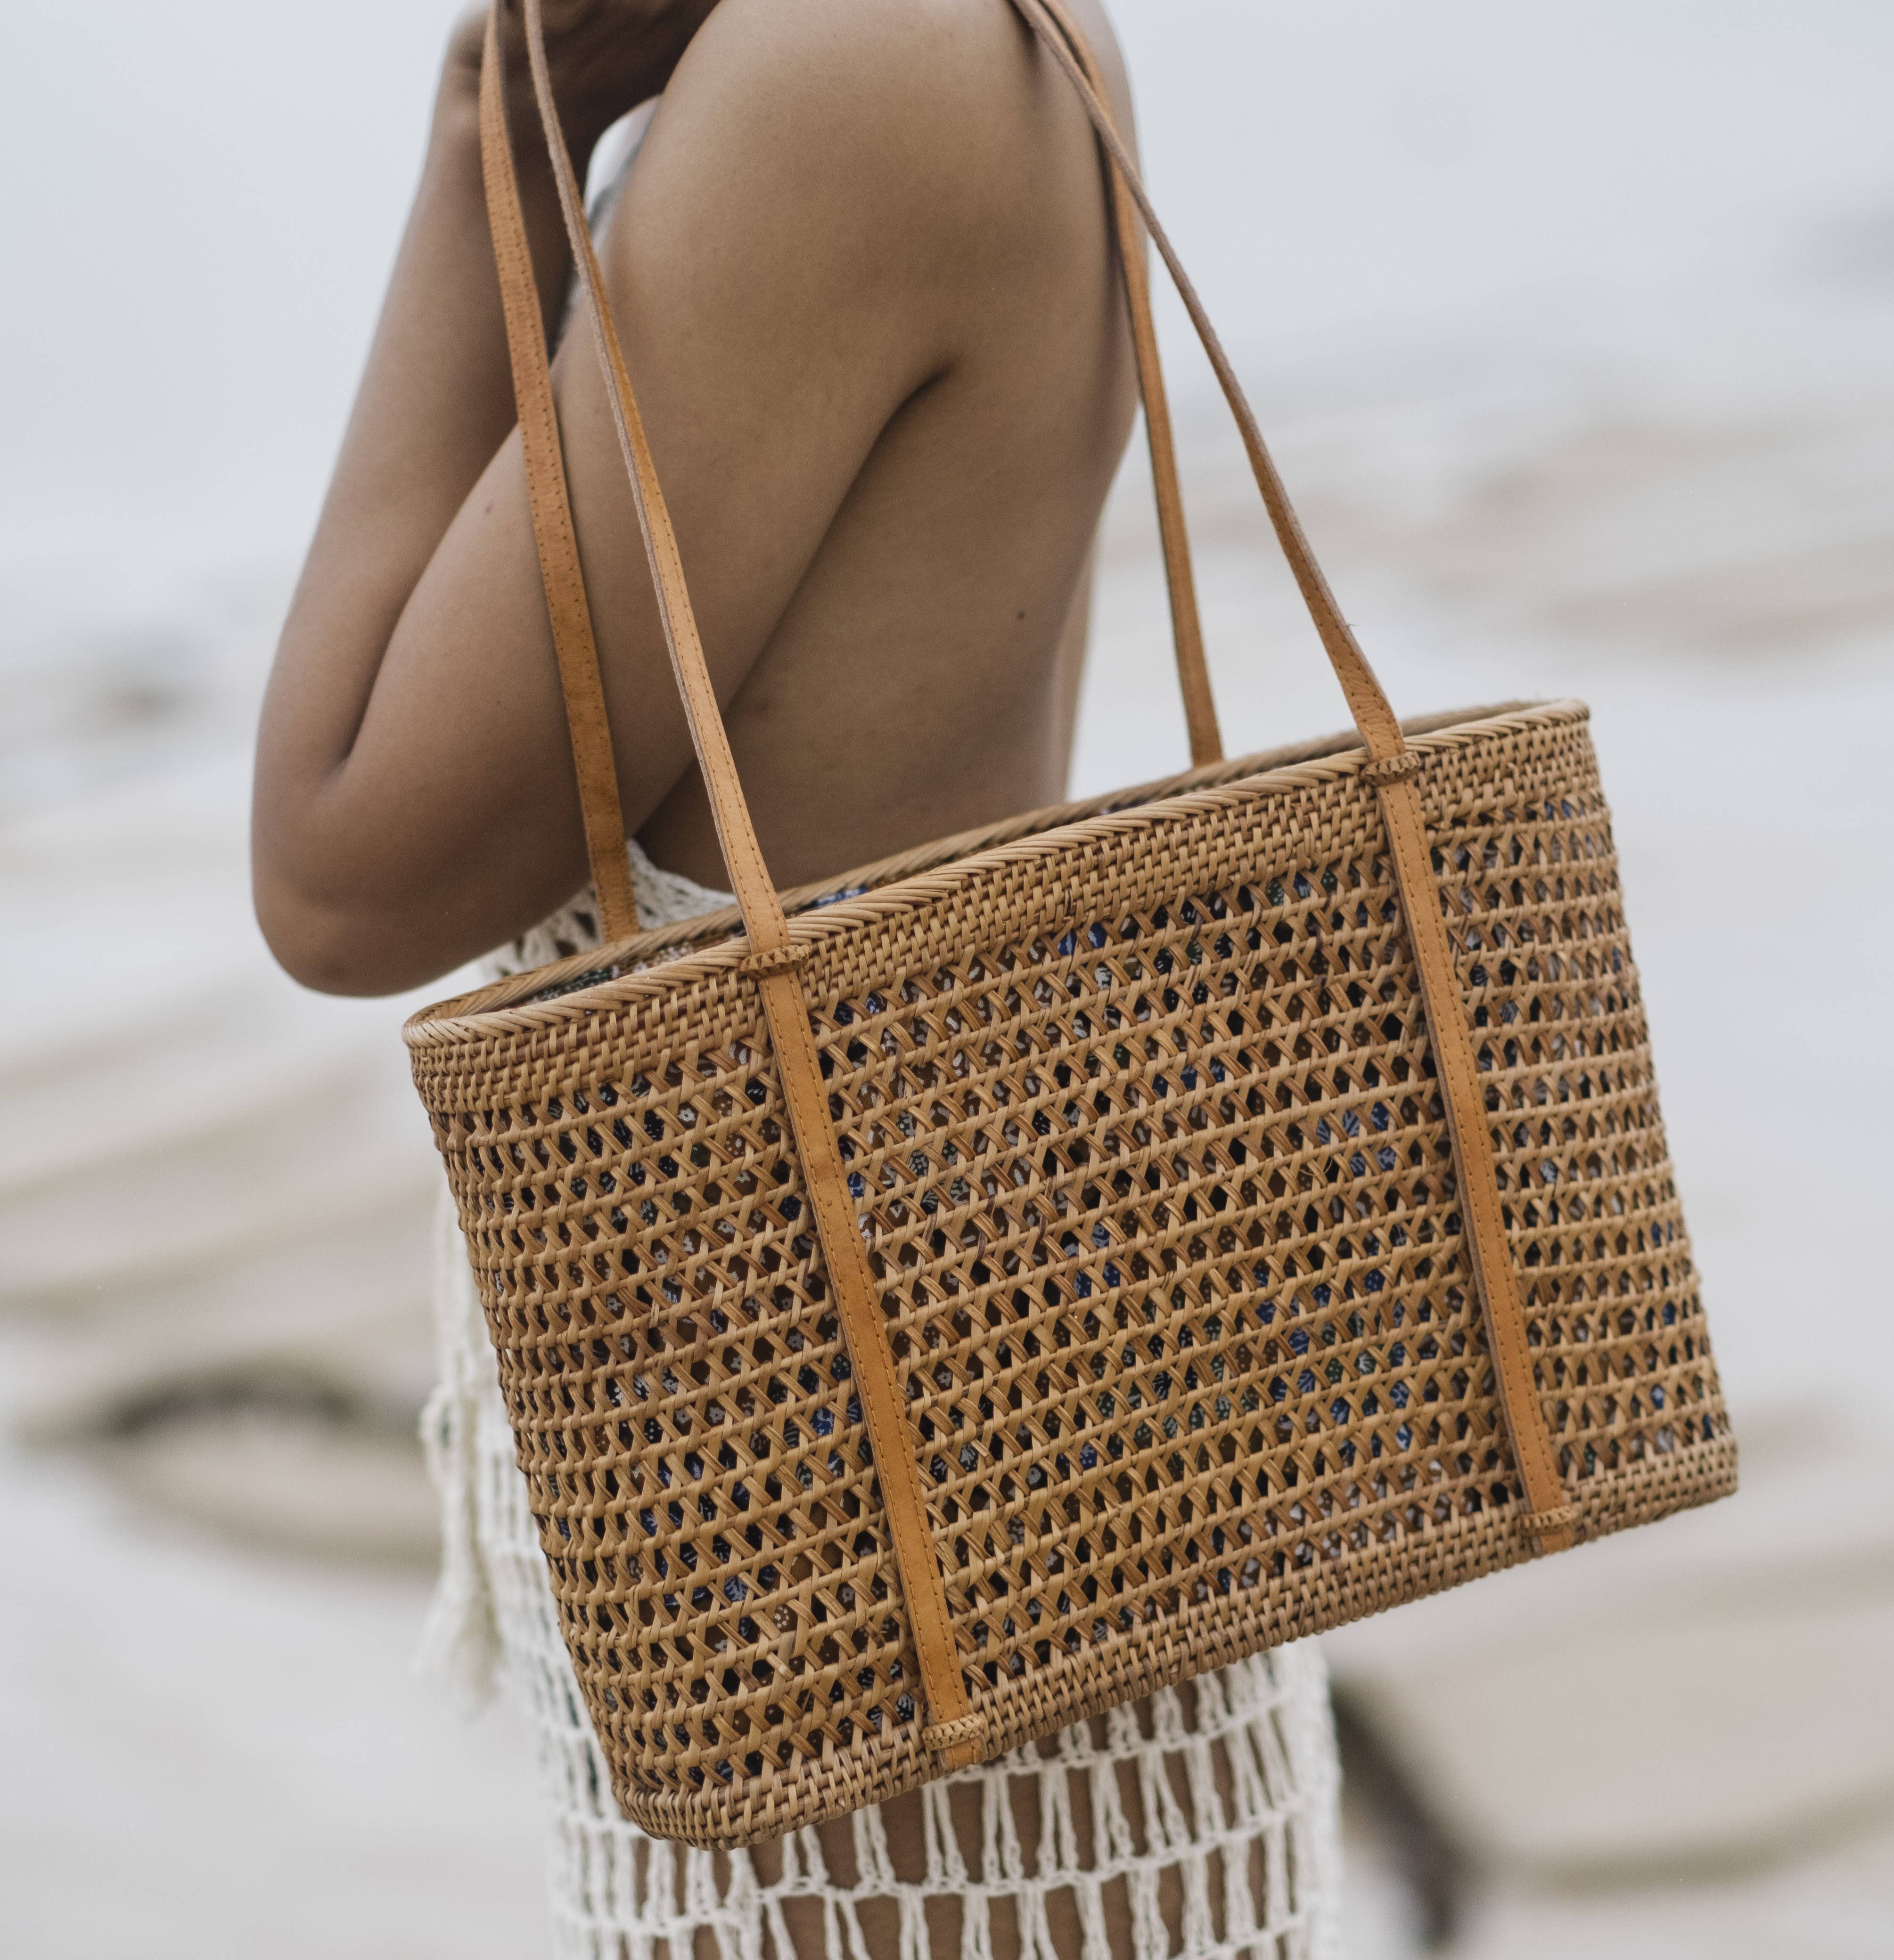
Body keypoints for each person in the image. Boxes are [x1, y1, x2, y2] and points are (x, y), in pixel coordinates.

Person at [252, 3, 1344, 1955]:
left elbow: (341, 871)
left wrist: (484, 115)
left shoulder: (844, 68)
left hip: (882, 1583)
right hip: (929, 1498)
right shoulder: (930, 37)